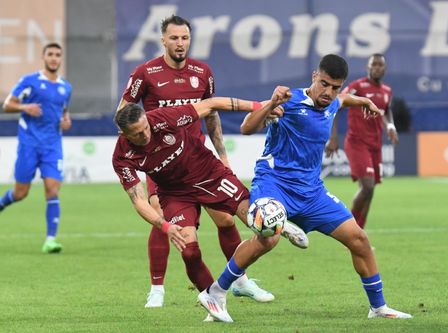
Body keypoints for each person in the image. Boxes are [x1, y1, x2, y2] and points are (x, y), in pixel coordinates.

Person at [197, 54, 412, 322]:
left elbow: (345, 100)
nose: (329, 92)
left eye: (335, 87)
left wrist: (364, 101)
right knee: (268, 239)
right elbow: (246, 127)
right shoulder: (289, 101)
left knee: (360, 240)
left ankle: (378, 308)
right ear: (314, 77)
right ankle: (215, 292)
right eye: (324, 84)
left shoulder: (334, 102)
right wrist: (271, 104)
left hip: (312, 193)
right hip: (274, 183)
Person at [116, 15, 279, 307]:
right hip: (161, 164)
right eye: (174, 38)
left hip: (198, 158)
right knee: (162, 220)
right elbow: (124, 112)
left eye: (185, 38)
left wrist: (223, 155)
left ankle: (239, 280)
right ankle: (157, 288)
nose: (180, 43)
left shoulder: (203, 72)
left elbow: (212, 113)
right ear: (163, 40)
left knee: (226, 219)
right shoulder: (145, 72)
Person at [112, 98, 307, 316]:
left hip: (210, 174)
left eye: (146, 128)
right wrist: (164, 225)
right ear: (123, 134)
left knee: (266, 234)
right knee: (189, 252)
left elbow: (212, 104)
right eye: (137, 134)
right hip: (176, 194)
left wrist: (258, 106)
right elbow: (138, 199)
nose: (145, 135)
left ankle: (276, 223)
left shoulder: (164, 118)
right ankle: (214, 300)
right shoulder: (122, 157)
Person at [0, 43, 72, 253]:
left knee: (52, 189)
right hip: (29, 144)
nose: (54, 58)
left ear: (60, 59)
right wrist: (24, 107)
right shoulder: (29, 81)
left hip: (52, 146)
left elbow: (64, 112)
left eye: (58, 55)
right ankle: (3, 203)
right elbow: (7, 104)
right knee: (20, 193)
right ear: (43, 57)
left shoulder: (66, 87)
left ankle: (50, 239)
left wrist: (66, 122)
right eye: (50, 54)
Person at [325, 54, 398, 229]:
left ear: (385, 69)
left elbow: (386, 111)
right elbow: (336, 104)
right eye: (374, 65)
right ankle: (350, 228)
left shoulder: (387, 90)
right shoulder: (357, 87)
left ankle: (359, 233)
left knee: (370, 191)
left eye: (380, 65)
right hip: (357, 142)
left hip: (375, 145)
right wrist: (332, 136)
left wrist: (390, 126)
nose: (377, 68)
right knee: (367, 186)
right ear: (368, 67)